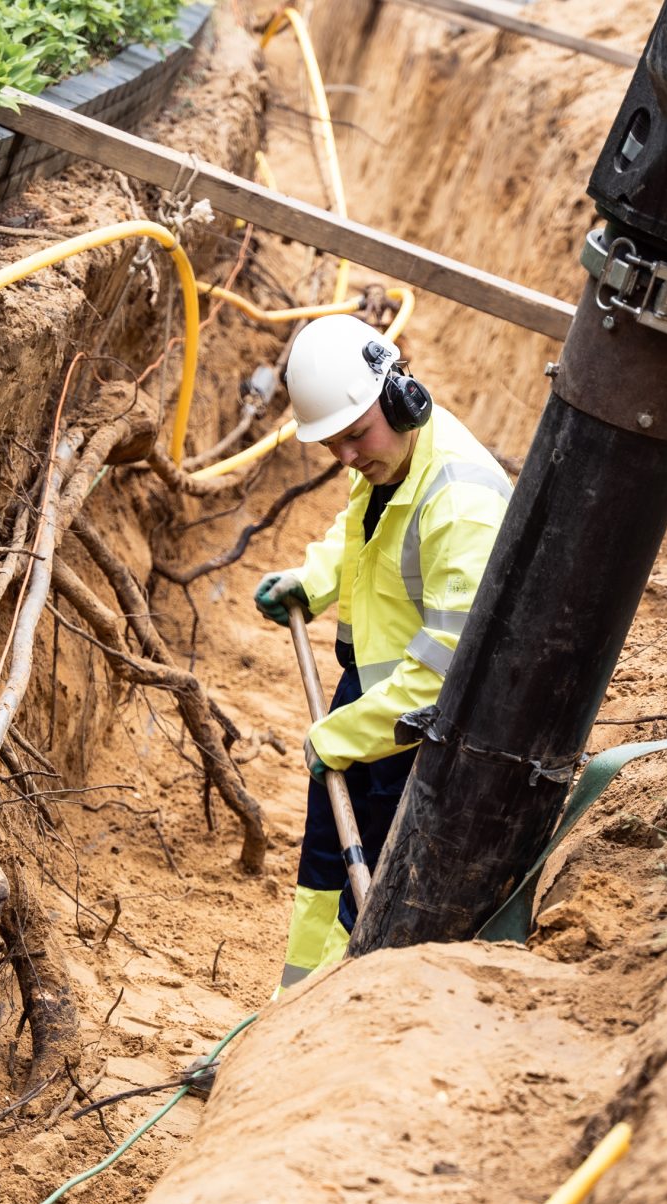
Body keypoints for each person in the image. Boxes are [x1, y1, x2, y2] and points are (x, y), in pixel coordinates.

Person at [252, 313, 511, 988]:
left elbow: (445, 675)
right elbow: (358, 529)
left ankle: (327, 1016)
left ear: (400, 396)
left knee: (364, 886)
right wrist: (312, 578)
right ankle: (290, 1004)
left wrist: (346, 735)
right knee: (324, 863)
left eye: (354, 436)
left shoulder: (461, 503)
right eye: (331, 444)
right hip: (370, 695)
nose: (346, 457)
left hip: (416, 732)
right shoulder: (387, 455)